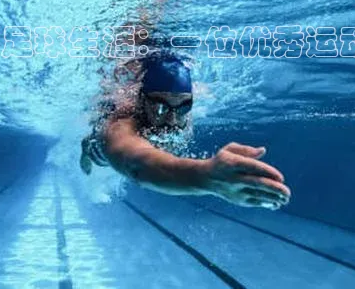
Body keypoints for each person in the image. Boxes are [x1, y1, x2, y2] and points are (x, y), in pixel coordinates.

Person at [80, 51, 291, 210]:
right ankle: (86, 152)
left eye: (183, 107)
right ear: (142, 101)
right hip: (101, 150)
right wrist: (204, 177)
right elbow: (135, 163)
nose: (172, 119)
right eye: (161, 107)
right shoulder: (122, 123)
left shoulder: (181, 113)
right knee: (96, 151)